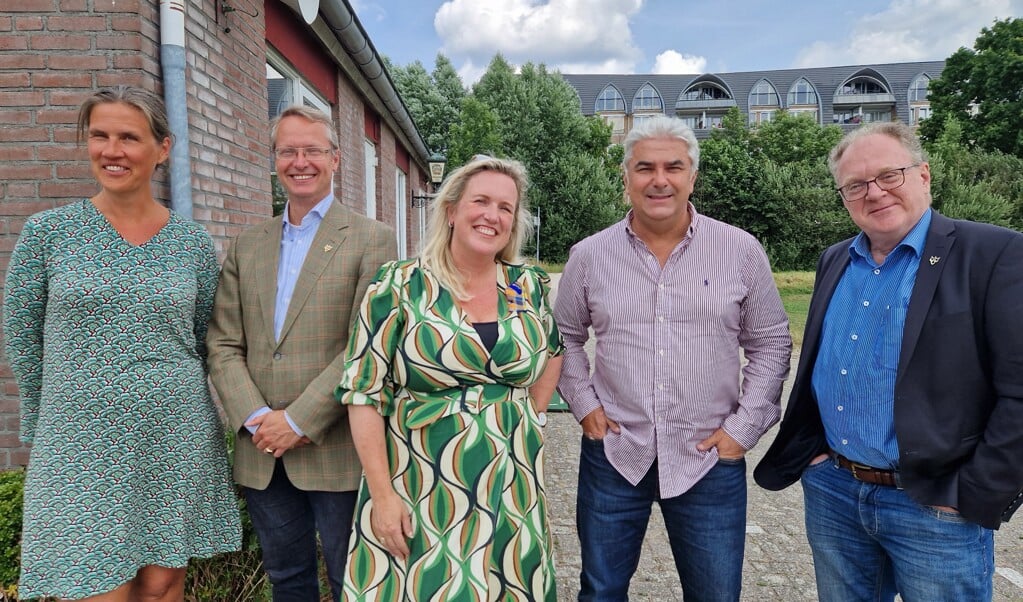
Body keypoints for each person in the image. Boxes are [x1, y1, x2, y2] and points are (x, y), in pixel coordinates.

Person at [754, 121, 1023, 601]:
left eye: (888, 175)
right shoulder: (835, 259)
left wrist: (974, 495)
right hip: (835, 489)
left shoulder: (995, 253)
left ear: (923, 175)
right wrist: (818, 459)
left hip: (934, 505)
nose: (873, 193)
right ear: (843, 197)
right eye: (855, 185)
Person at [2, 86, 240, 601]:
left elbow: (204, 340)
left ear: (162, 148)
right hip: (79, 440)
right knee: (96, 584)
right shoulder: (49, 233)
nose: (112, 151)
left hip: (172, 432)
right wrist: (45, 425)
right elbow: (22, 336)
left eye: (129, 137)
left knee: (161, 583)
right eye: (100, 136)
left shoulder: (192, 243)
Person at [554, 115, 792, 601]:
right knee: (600, 591)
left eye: (673, 167)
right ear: (626, 178)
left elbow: (771, 342)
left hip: (708, 456)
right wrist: (585, 407)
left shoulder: (740, 250)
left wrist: (742, 430)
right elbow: (564, 335)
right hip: (615, 451)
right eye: (644, 168)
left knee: (715, 594)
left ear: (692, 177)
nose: (658, 180)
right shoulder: (589, 255)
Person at [335, 155, 563, 601]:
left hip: (509, 482)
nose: (491, 216)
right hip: (421, 481)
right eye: (481, 201)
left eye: (505, 207)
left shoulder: (528, 286)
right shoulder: (399, 285)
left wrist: (531, 415)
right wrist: (383, 498)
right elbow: (363, 393)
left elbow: (553, 351)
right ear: (452, 210)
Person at [206, 105, 396, 601]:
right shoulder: (248, 245)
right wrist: (257, 418)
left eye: (312, 150)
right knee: (287, 580)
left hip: (335, 447)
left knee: (350, 579)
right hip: (262, 451)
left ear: (335, 159)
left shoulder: (372, 240)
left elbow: (365, 345)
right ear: (274, 160)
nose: (300, 161)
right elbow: (224, 343)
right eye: (287, 150)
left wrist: (298, 421)